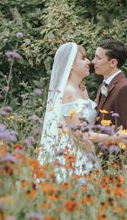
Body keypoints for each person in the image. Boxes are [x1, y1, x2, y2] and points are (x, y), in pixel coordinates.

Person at [38, 42, 120, 183]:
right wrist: (111, 138)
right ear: (71, 64)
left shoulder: (82, 89)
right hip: (70, 155)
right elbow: (79, 133)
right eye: (83, 58)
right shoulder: (68, 92)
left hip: (85, 151)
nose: (89, 62)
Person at [92, 39, 127, 130]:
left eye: (98, 58)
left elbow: (125, 130)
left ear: (113, 62)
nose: (93, 61)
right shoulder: (104, 85)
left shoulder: (125, 88)